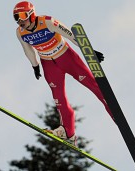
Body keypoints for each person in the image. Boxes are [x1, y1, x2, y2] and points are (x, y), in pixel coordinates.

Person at [13, 1, 113, 143]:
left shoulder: (47, 22)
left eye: (22, 16)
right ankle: (68, 132)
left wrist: (89, 51)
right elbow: (27, 49)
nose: (20, 21)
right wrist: (35, 65)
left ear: (31, 14)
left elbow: (70, 35)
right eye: (16, 17)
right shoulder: (20, 32)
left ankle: (112, 108)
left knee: (93, 84)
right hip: (48, 64)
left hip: (66, 57)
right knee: (59, 99)